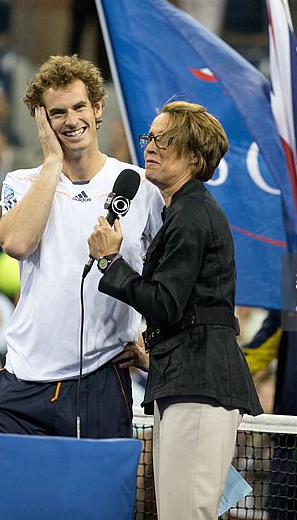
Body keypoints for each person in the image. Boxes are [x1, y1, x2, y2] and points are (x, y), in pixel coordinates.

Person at [87, 100, 262, 519]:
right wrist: (157, 355)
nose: (151, 146)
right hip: (188, 379)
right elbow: (188, 311)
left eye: (165, 140)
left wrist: (111, 262)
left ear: (195, 156)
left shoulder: (191, 213)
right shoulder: (183, 211)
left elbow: (166, 304)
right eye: (151, 137)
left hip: (199, 387)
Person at [0, 55, 163, 438]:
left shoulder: (140, 185)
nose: (71, 120)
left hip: (100, 381)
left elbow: (169, 278)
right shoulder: (22, 181)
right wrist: (52, 160)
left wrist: (153, 346)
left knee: (94, 501)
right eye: (57, 113)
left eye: (80, 106)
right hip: (22, 383)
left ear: (98, 107)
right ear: (42, 121)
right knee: (10, 499)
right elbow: (17, 243)